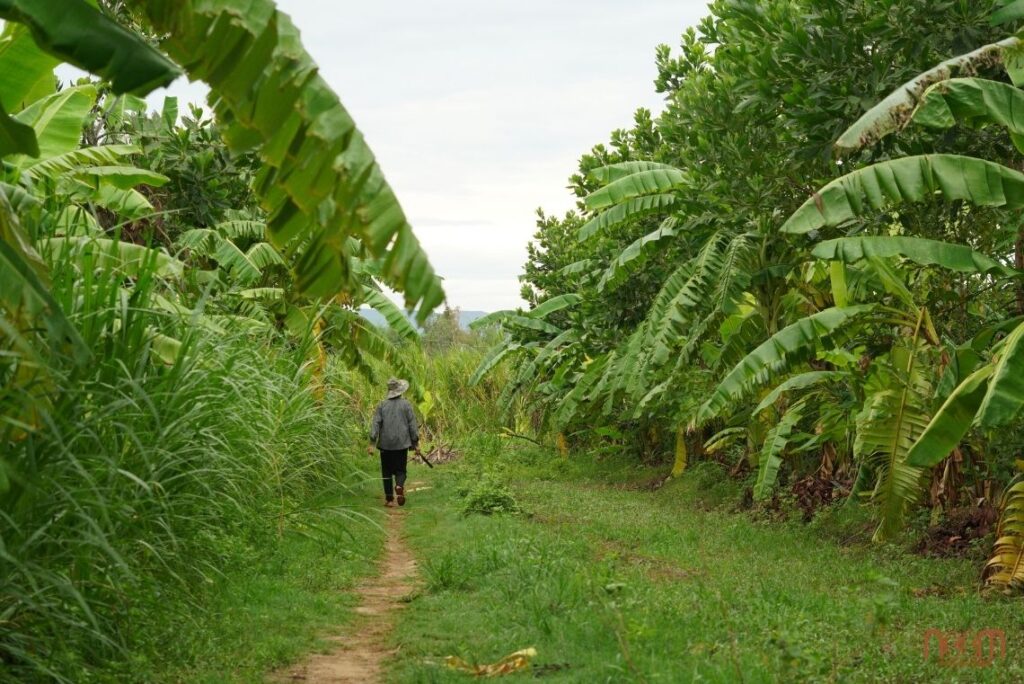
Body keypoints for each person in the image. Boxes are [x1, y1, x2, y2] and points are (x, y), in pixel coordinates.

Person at [367, 378, 421, 507]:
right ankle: (399, 486)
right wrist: (416, 442)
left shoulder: (382, 405)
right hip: (402, 444)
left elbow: (376, 424)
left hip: (385, 444)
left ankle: (389, 500)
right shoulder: (406, 405)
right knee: (401, 470)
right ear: (400, 391)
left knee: (386, 471)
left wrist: (372, 442)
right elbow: (412, 425)